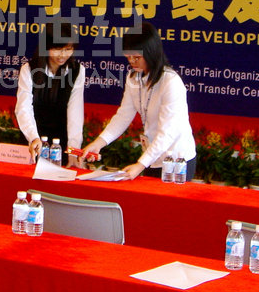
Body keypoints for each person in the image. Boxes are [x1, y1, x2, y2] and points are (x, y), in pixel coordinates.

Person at [82, 22, 195, 180]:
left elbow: (167, 133)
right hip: (152, 158)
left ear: (151, 53)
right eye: (128, 57)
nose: (132, 61)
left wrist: (140, 164)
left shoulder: (171, 82)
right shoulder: (133, 77)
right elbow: (123, 115)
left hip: (177, 160)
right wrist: (99, 143)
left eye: (137, 57)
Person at [15, 22, 85, 162]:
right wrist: (33, 137)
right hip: (33, 139)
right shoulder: (29, 69)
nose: (63, 55)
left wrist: (73, 151)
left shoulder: (77, 71)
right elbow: (23, 108)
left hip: (60, 143)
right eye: (57, 49)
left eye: (68, 49)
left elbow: (75, 114)